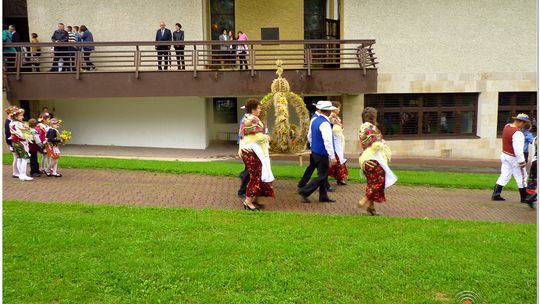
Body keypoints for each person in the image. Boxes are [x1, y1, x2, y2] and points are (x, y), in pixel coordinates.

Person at [358, 107, 397, 215]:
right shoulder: (371, 128)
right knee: (378, 182)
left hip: (366, 159)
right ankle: (364, 200)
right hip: (374, 159)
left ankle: (371, 208)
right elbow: (375, 144)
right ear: (373, 117)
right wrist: (382, 143)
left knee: (371, 182)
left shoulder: (362, 127)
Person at [298, 101, 337, 203]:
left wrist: (313, 146)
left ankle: (323, 196)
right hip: (322, 153)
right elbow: (328, 141)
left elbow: (309, 136)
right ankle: (304, 191)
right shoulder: (325, 123)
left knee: (323, 175)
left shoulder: (315, 120)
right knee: (322, 175)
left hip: (315, 151)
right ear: (328, 111)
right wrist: (332, 156)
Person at [239, 99, 274, 210]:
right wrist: (266, 137)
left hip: (250, 150)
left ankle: (254, 200)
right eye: (258, 108)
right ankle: (248, 202)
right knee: (255, 176)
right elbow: (255, 135)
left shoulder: (248, 118)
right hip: (250, 150)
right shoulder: (252, 119)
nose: (260, 110)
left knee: (256, 175)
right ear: (253, 109)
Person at [492, 113, 530, 203]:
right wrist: (522, 162)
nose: (524, 125)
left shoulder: (507, 126)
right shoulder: (518, 133)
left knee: (504, 174)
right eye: (524, 123)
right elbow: (518, 150)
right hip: (514, 158)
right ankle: (524, 198)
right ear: (521, 122)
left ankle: (496, 194)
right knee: (522, 177)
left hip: (505, 155)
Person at [328, 101, 348, 185]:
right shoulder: (331, 117)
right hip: (334, 142)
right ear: (335, 108)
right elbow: (332, 129)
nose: (339, 110)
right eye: (339, 108)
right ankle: (339, 178)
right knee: (338, 160)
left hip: (339, 142)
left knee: (340, 160)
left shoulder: (336, 117)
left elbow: (341, 127)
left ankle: (340, 179)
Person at [9, 108, 33, 181]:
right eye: (21, 115)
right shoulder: (19, 124)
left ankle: (20, 174)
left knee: (19, 158)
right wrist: (30, 131)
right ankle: (23, 175)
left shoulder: (11, 123)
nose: (22, 117)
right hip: (21, 142)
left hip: (15, 142)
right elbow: (22, 135)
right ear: (16, 116)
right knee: (24, 158)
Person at [237, 106, 250, 197]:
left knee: (248, 169)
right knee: (248, 170)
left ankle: (242, 176)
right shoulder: (246, 119)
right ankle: (242, 191)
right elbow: (242, 134)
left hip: (247, 146)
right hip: (246, 147)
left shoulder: (248, 119)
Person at [5, 106, 19, 177]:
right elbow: (8, 133)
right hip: (11, 141)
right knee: (16, 157)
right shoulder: (8, 122)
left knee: (17, 157)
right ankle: (15, 173)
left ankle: (17, 172)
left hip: (13, 140)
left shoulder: (12, 121)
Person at [524, 136, 537, 208]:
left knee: (533, 181)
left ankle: (530, 197)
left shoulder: (535, 138)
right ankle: (531, 198)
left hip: (534, 162)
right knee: (534, 181)